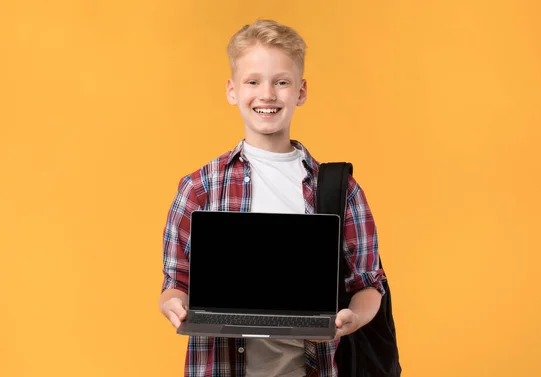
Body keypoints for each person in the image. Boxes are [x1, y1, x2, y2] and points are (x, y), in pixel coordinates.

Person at [159, 19, 387, 377]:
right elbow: (175, 283)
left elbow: (369, 285)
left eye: (281, 82)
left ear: (301, 91)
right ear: (232, 90)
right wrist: (175, 306)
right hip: (221, 368)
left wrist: (352, 318)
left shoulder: (340, 190)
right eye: (253, 82)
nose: (267, 94)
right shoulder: (199, 188)